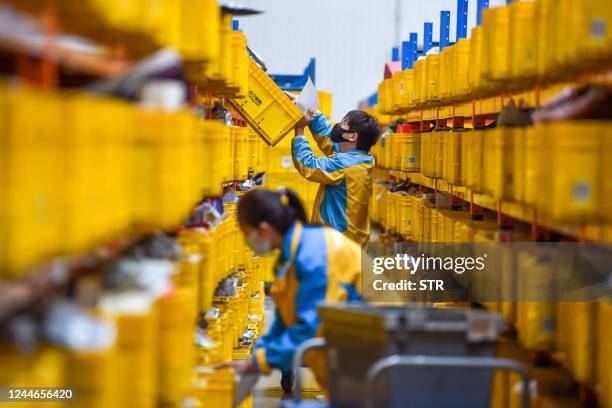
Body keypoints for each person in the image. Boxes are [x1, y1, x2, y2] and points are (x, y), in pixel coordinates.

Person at [216, 188, 363, 395]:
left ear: (265, 230)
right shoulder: (293, 254)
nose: (246, 241)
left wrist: (261, 361)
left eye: (246, 233)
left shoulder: (314, 255)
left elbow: (312, 326)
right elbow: (285, 320)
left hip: (373, 364)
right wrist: (256, 357)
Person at [289, 102, 381, 247]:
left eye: (344, 123)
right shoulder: (361, 159)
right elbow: (332, 142)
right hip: (353, 238)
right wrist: (310, 109)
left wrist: (300, 131)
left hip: (336, 241)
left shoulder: (344, 165)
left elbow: (309, 165)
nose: (338, 125)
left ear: (352, 136)